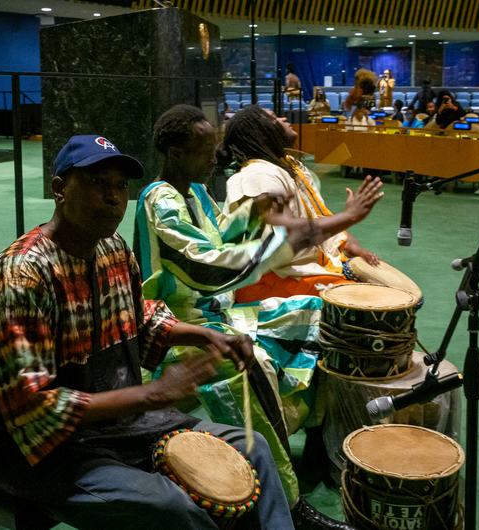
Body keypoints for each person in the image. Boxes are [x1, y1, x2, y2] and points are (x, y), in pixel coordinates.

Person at [0, 134, 294, 530]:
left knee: (253, 450)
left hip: (116, 430)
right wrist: (152, 394)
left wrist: (203, 336)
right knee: (171, 506)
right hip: (29, 451)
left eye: (120, 186)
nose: (113, 197)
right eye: (97, 182)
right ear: (60, 189)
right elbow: (32, 410)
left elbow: (136, 319)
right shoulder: (21, 278)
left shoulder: (113, 249)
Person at [136, 105, 378, 501]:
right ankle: (282, 493)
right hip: (177, 328)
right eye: (204, 150)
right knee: (252, 366)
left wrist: (289, 220)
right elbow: (210, 267)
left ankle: (315, 442)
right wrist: (331, 222)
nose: (215, 157)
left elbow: (238, 232)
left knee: (320, 315)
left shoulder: (196, 192)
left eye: (216, 147)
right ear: (175, 154)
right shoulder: (160, 201)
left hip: (218, 311)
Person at [220, 105, 386, 300]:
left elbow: (319, 220)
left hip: (302, 270)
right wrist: (349, 216)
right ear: (262, 134)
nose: (283, 118)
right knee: (372, 301)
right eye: (274, 118)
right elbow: (287, 241)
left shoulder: (292, 166)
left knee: (383, 289)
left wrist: (351, 246)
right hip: (270, 280)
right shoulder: (257, 176)